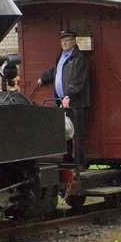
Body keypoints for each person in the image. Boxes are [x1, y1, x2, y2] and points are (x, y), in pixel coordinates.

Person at [39, 29, 90, 171]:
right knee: (64, 131)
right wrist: (44, 77)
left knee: (77, 132)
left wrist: (68, 95)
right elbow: (57, 71)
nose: (64, 42)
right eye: (62, 40)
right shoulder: (61, 56)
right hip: (61, 101)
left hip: (75, 102)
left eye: (67, 40)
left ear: (74, 41)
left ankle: (80, 163)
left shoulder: (79, 58)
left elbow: (77, 80)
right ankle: (67, 159)